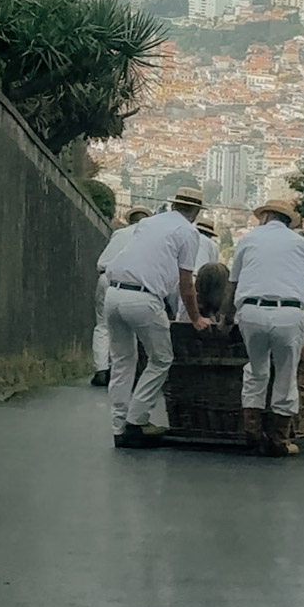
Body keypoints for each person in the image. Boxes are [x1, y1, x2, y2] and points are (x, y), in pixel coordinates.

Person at [104, 185, 210, 447]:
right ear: (195, 210)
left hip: (113, 292)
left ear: (174, 205)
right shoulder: (188, 232)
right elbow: (187, 282)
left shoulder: (148, 224)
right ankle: (137, 420)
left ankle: (119, 427)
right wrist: (196, 318)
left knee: (122, 362)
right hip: (143, 298)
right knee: (161, 358)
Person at [228, 198, 304, 458]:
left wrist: (226, 316)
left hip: (251, 310)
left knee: (256, 369)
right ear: (289, 222)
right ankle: (279, 440)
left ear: (266, 217)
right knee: (285, 375)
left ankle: (252, 431)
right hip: (289, 313)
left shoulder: (248, 241)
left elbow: (233, 283)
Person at [90, 206, 151, 386]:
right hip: (130, 283)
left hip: (105, 277)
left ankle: (101, 370)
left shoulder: (118, 234)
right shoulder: (148, 238)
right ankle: (124, 373)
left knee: (102, 326)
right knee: (130, 328)